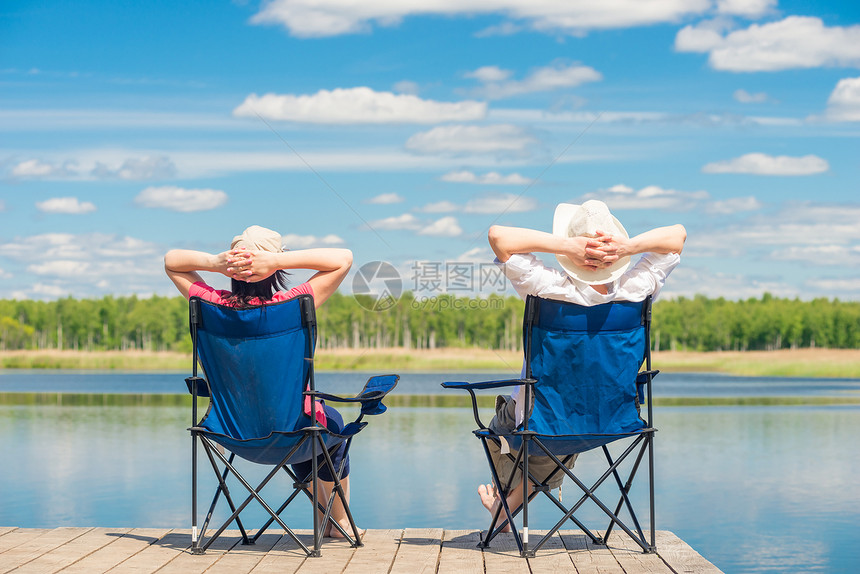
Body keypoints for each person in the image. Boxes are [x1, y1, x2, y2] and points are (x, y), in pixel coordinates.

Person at [478, 200, 686, 530]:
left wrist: (566, 246)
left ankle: (502, 506)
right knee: (563, 431)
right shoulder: (638, 288)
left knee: (501, 427)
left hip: (543, 421)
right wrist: (628, 247)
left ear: (571, 254)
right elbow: (678, 235)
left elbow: (497, 236)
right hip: (614, 420)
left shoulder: (546, 287)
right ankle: (504, 509)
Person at [164, 224, 358, 538]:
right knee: (327, 423)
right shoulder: (293, 304)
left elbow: (172, 261)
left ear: (232, 268)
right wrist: (278, 261)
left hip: (232, 436)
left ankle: (333, 523)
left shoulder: (211, 305)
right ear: (274, 269)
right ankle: (339, 522)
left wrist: (215, 262)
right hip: (293, 436)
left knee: (311, 423)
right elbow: (343, 258)